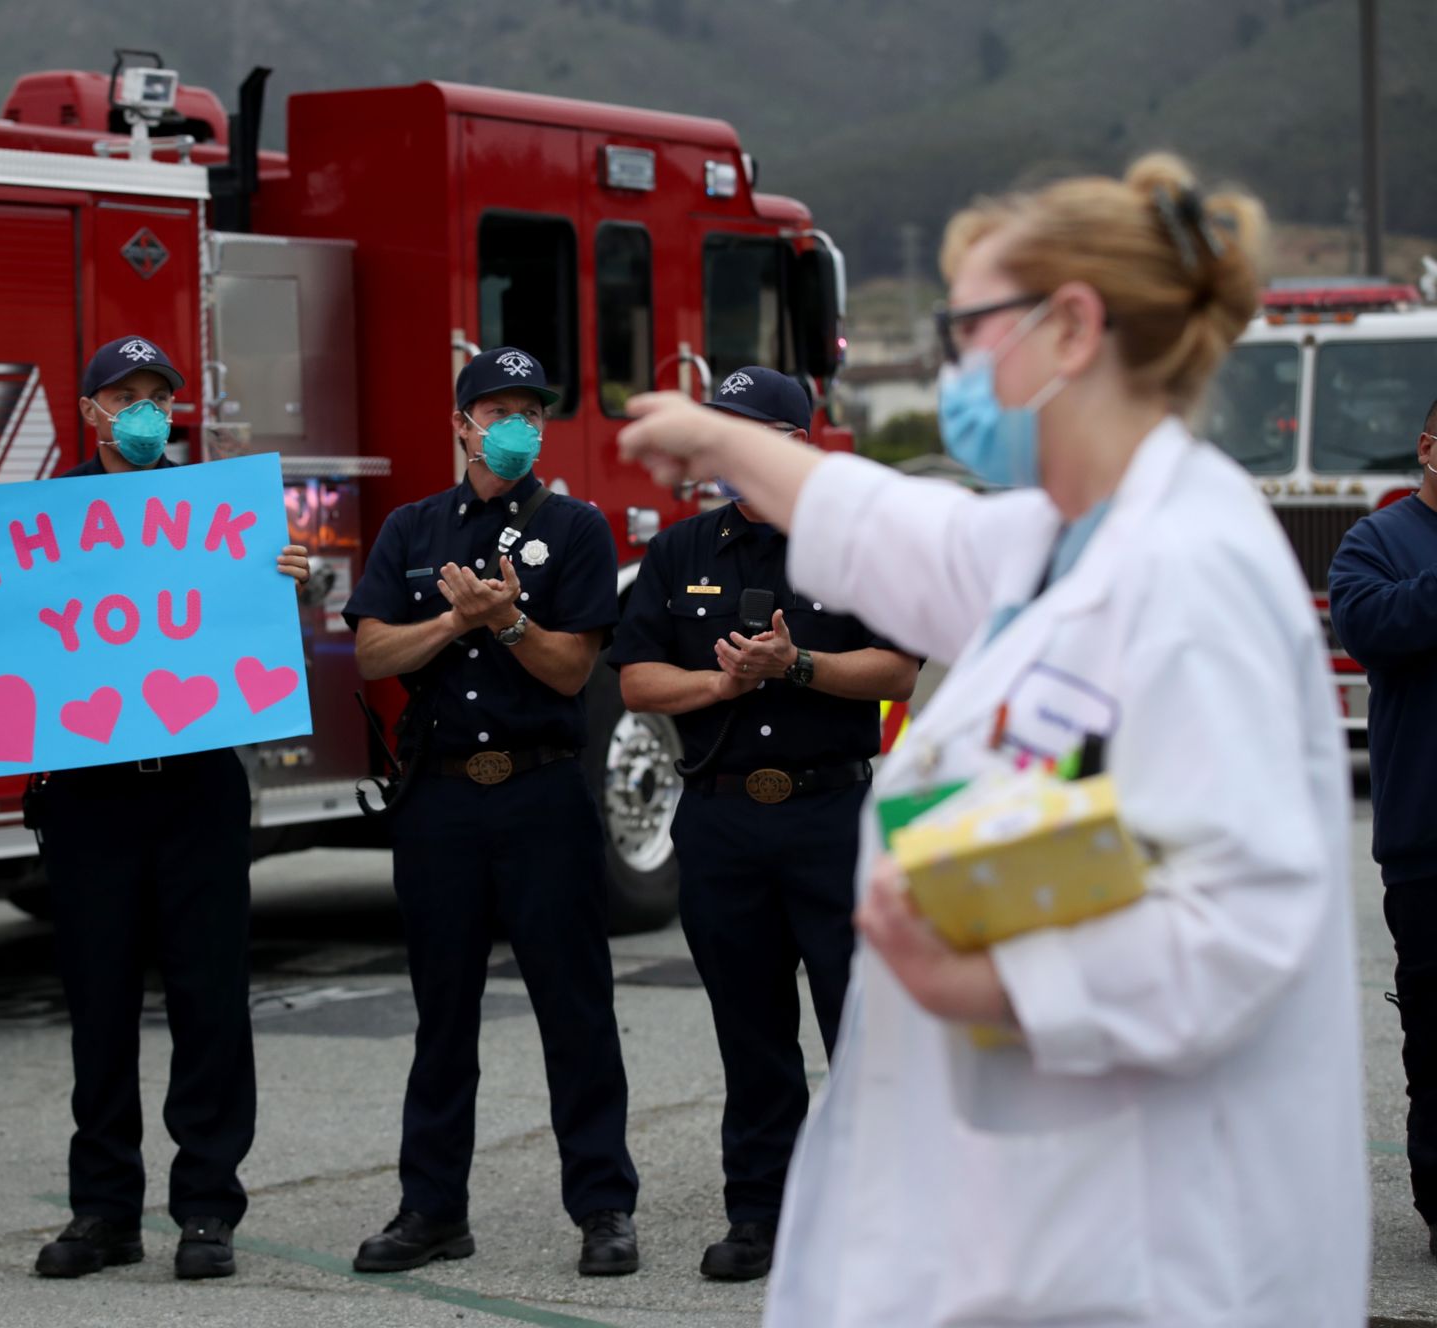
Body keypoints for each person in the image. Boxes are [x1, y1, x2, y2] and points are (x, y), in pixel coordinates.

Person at [615, 156, 1367, 1325]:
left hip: (1139, 1253)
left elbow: (1234, 924)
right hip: (1029, 1225)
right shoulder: (1059, 542)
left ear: (1069, 328)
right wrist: (717, 442)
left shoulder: (1188, 573)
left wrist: (985, 977)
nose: (953, 370)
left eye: (965, 331)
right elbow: (897, 531)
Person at [0, 334, 310, 1282]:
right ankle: (105, 1212)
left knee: (211, 1003)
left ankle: (208, 1209)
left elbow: (251, 643)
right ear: (87, 413)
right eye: (122, 396)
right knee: (99, 1006)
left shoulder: (221, 516)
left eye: (155, 396)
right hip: (87, 799)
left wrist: (282, 579)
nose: (141, 411)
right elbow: (4, 636)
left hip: (198, 786)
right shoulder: (28, 525)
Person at [609, 366, 917, 1281]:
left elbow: (898, 669)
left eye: (748, 432)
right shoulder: (680, 550)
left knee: (859, 1028)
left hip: (830, 814)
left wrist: (797, 667)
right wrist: (722, 683)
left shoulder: (854, 548)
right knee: (750, 1034)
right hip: (724, 821)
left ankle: (878, 1219)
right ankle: (762, 1214)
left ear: (796, 441)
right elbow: (634, 680)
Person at [340, 346, 640, 1278]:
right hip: (439, 800)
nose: (516, 425)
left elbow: (570, 668)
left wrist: (509, 621)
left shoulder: (578, 528)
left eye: (529, 410)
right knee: (443, 1013)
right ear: (460, 423)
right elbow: (375, 656)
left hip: (542, 792)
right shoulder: (411, 529)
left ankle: (602, 1208)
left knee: (575, 1005)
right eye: (497, 409)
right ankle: (432, 1209)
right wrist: (456, 622)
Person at [1330, 407, 1437, 1257]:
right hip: (1426, 843)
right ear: (1430, 449)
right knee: (1436, 1045)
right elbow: (1367, 627)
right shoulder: (1377, 542)